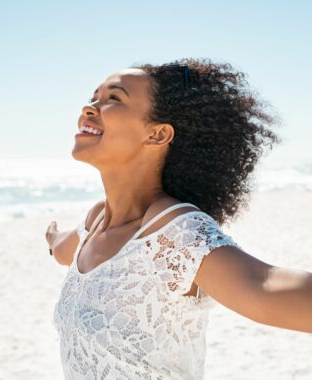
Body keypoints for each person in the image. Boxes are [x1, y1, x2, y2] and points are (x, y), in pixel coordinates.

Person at [45, 58, 312, 379]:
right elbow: (64, 249)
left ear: (157, 134)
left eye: (114, 98)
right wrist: (52, 238)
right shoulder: (95, 222)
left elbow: (261, 287)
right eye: (94, 96)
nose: (90, 107)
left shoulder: (170, 230)